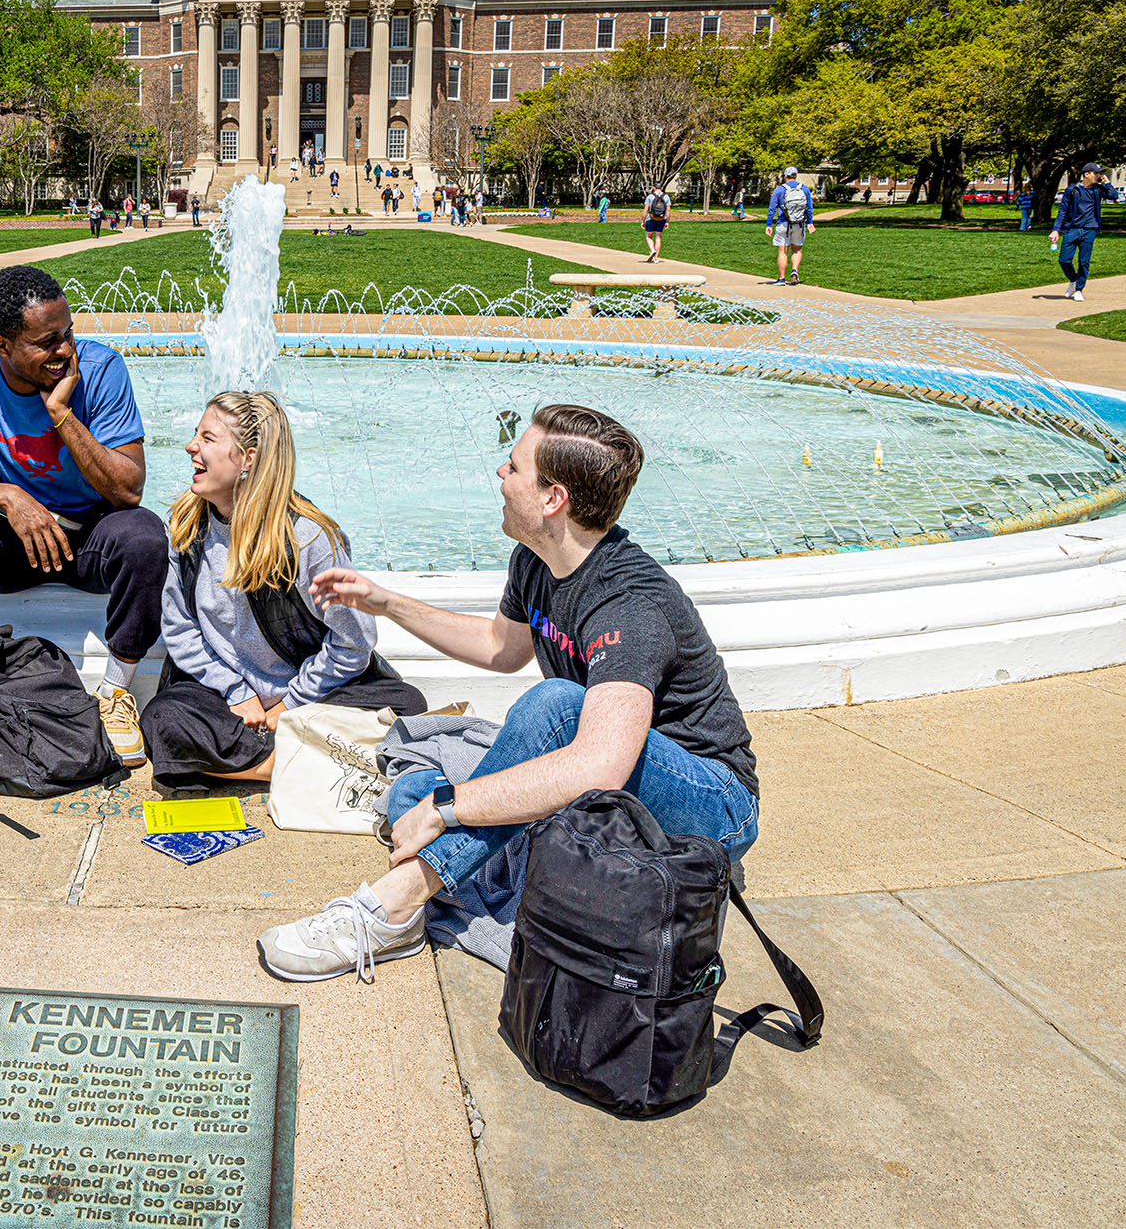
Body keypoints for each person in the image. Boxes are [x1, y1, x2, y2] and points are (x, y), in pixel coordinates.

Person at [255, 405, 760, 981]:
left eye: (515, 466)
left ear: (553, 499)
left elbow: (600, 764)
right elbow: (501, 647)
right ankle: (503, 867)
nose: (501, 472)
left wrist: (450, 813)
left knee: (545, 713)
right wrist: (385, 602)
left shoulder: (630, 605)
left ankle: (394, 907)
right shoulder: (537, 560)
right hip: (613, 786)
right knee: (414, 789)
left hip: (711, 805)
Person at [0, 265, 169, 763]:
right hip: (13, 541)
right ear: (2, 344)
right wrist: (9, 497)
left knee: (145, 537)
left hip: (87, 536)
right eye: (47, 342)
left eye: (68, 333)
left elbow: (128, 489)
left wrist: (61, 414)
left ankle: (115, 692)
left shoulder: (101, 368)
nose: (65, 350)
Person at [147, 392, 424, 793]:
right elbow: (180, 629)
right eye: (196, 435)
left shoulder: (307, 538)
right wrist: (237, 692)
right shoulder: (186, 526)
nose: (191, 446)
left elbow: (354, 640)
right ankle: (299, 763)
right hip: (225, 701)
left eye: (208, 439)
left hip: (309, 699)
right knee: (164, 717)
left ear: (248, 458)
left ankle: (255, 763)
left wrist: (290, 705)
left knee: (407, 705)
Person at [1050, 163, 1120, 301]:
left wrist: (1107, 183)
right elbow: (1063, 210)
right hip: (1072, 229)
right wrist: (1056, 229)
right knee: (1064, 260)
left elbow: (1114, 195)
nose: (1099, 176)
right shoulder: (1073, 190)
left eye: (1100, 173)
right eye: (1096, 173)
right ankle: (1074, 279)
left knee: (1084, 261)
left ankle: (1079, 289)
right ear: (1086, 174)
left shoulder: (1098, 190)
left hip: (1090, 229)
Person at [765, 166, 815, 285]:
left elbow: (772, 208)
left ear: (785, 176)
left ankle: (781, 278)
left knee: (783, 251)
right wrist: (810, 222)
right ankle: (794, 270)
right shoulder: (805, 189)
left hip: (783, 222)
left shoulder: (779, 190)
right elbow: (809, 207)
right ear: (795, 176)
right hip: (799, 223)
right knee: (797, 249)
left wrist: (769, 224)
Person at [641, 188, 671, 261]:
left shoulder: (650, 196)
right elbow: (668, 210)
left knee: (648, 236)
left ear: (654, 187)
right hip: (661, 219)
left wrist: (643, 221)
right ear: (662, 188)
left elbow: (646, 209)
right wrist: (667, 221)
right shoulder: (666, 197)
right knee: (658, 237)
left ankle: (652, 250)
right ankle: (656, 258)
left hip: (651, 218)